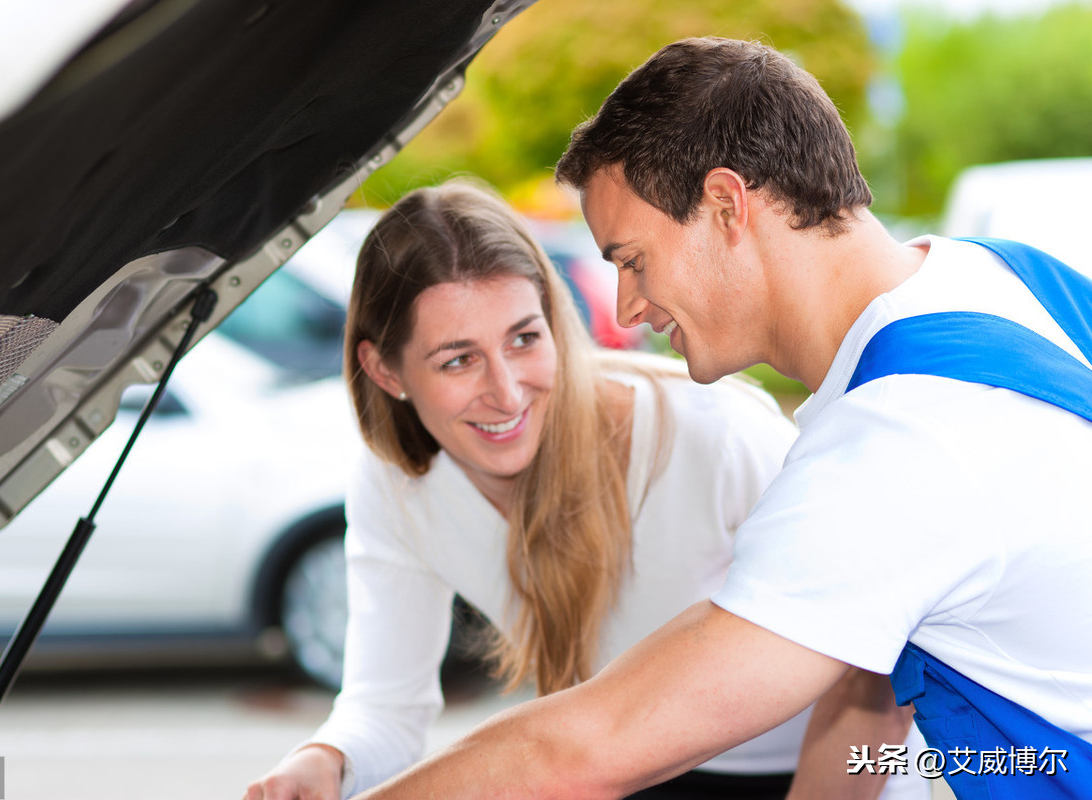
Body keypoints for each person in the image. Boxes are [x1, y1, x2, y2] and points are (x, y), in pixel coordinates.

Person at [347, 38, 1092, 800]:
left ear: (728, 206)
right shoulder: (1007, 276)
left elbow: (582, 751)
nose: (629, 308)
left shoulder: (892, 449)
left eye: (632, 260)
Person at [243, 179, 927, 800]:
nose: (506, 392)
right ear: (385, 371)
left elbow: (877, 671)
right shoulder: (397, 486)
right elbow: (385, 708)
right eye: (458, 359)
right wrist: (324, 758)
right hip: (626, 770)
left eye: (523, 338)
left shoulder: (709, 435)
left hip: (826, 774)